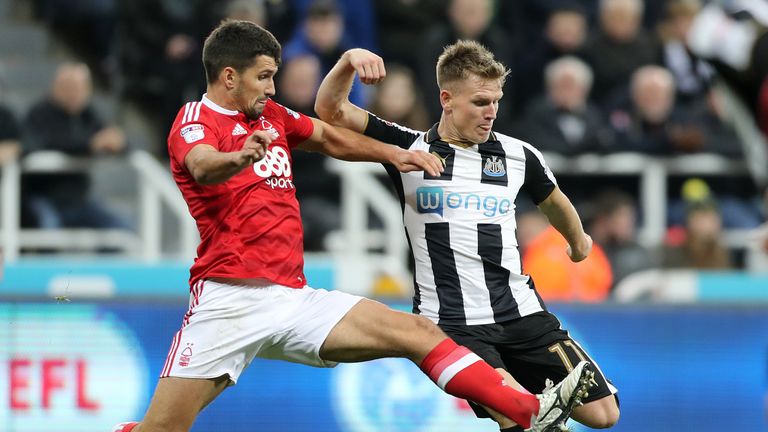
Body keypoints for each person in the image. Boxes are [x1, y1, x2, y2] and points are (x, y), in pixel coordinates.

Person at [112, 21, 594, 432]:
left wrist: (395, 154)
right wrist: (239, 156)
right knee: (162, 428)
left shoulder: (272, 116)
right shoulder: (195, 119)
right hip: (229, 300)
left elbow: (327, 135)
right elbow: (200, 165)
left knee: (416, 333)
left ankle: (531, 412)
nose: (273, 89)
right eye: (264, 77)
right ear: (229, 76)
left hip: (294, 298)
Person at [315, 42, 620, 431]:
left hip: (522, 313)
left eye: (496, 101)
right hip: (451, 323)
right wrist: (346, 62)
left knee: (604, 415)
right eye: (479, 102)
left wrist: (579, 243)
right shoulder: (408, 148)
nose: (491, 112)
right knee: (519, 415)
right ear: (447, 98)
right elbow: (330, 111)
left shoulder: (518, 155)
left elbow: (554, 201)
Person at [21, 62, 130, 230]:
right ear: (56, 87)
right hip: (43, 196)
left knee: (121, 228)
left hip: (79, 199)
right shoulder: (39, 113)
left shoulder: (87, 115)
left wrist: (119, 143)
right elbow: (48, 143)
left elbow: (112, 139)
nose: (75, 93)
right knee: (48, 229)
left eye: (81, 88)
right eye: (70, 87)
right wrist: (90, 144)